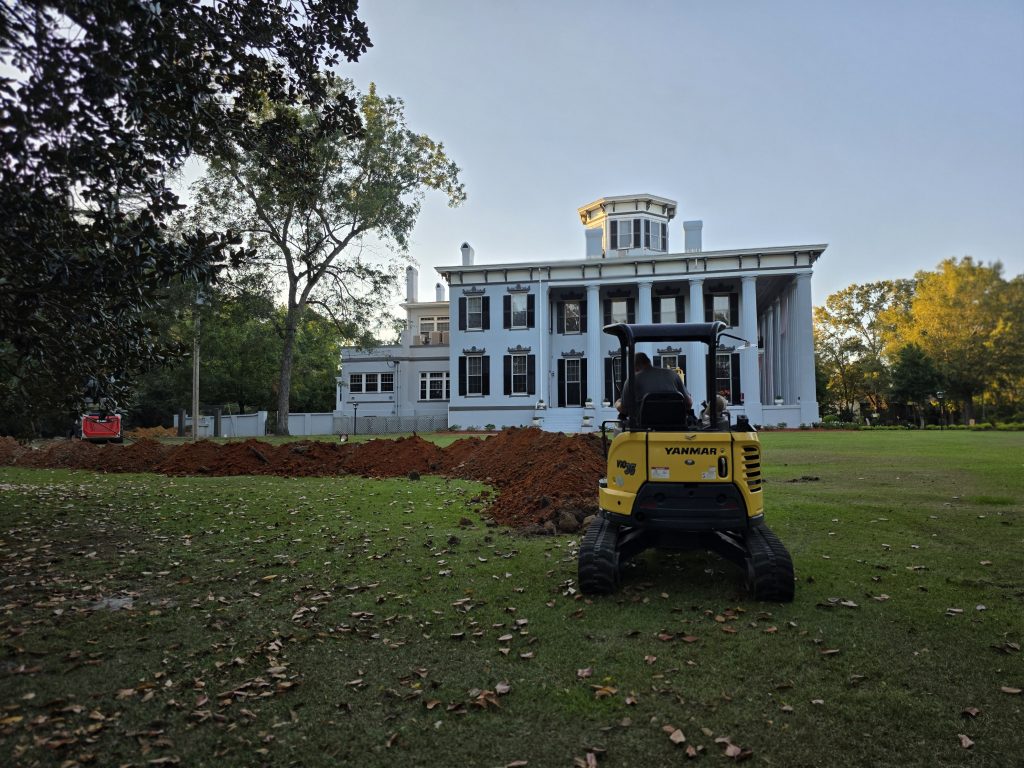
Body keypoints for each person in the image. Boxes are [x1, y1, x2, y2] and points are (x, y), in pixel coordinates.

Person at [616, 352, 692, 418]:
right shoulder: (672, 374)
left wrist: (617, 403)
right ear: (649, 362)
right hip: (675, 424)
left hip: (644, 425)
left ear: (635, 367)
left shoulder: (632, 380)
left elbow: (624, 409)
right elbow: (688, 403)